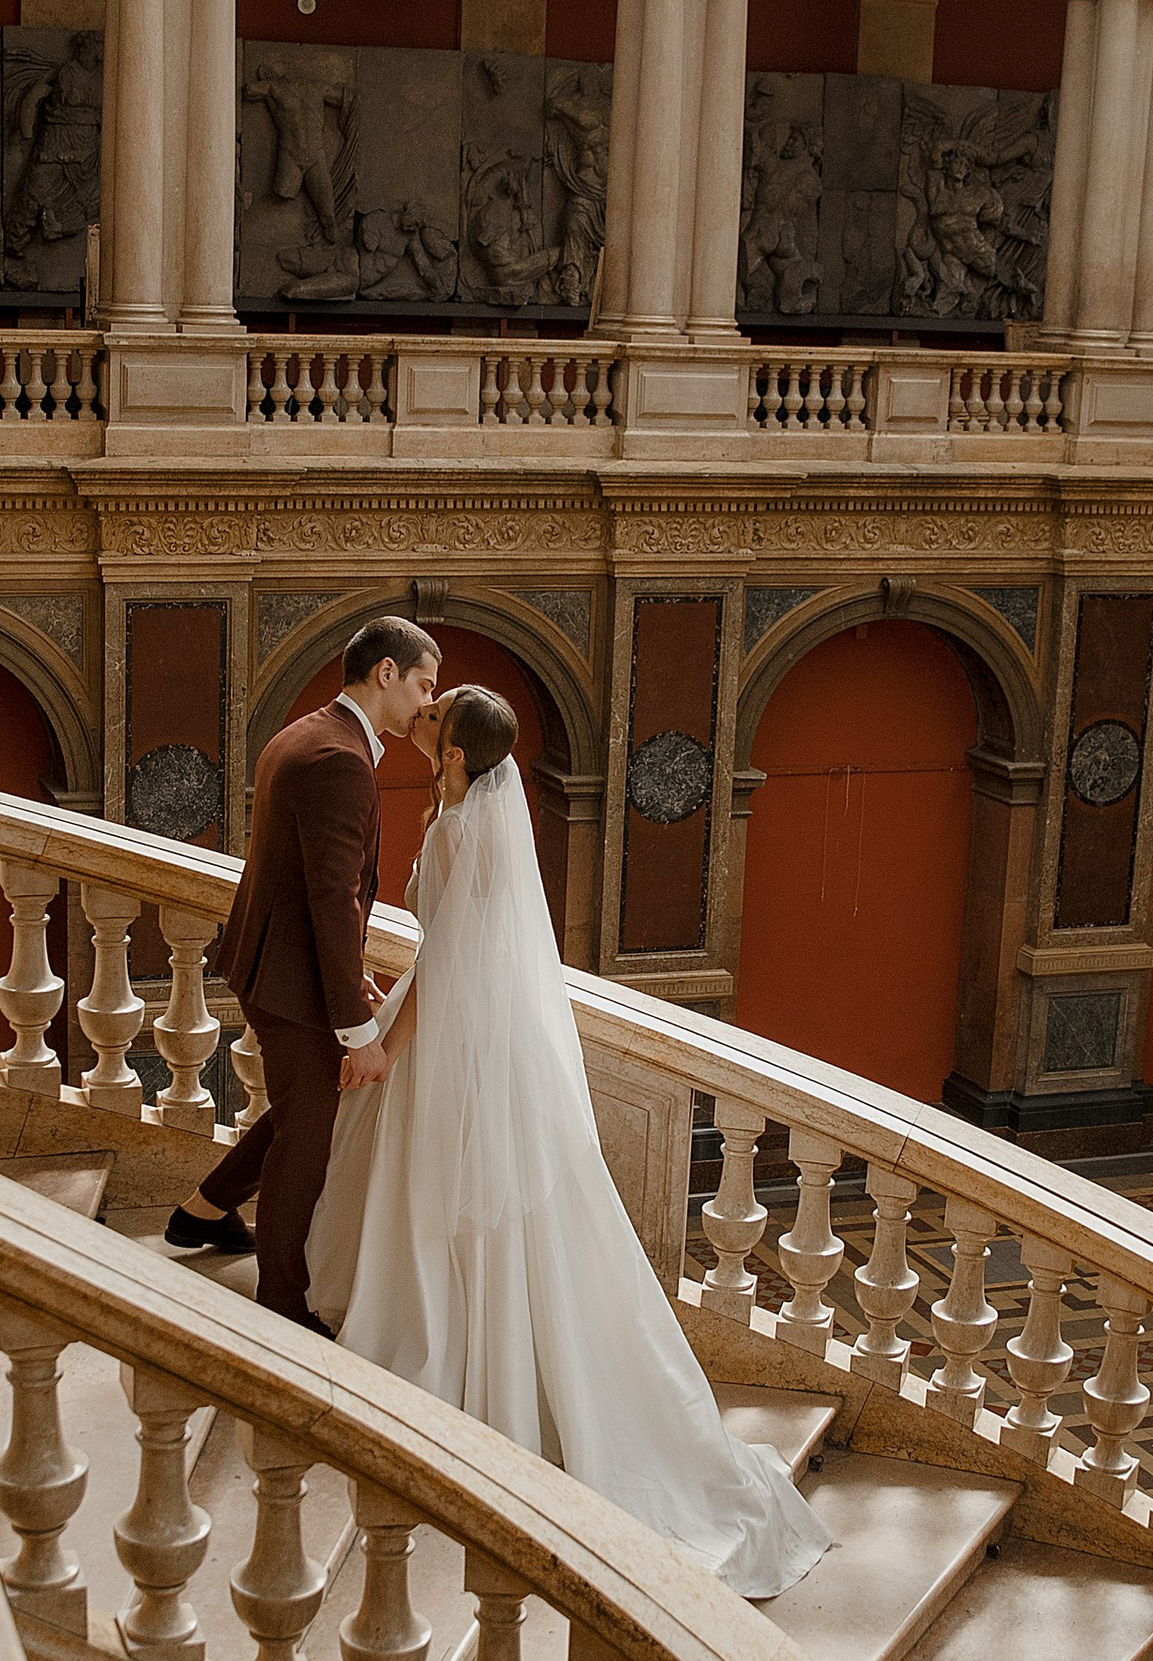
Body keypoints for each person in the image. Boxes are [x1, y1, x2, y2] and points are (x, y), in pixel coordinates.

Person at [306, 687, 829, 1603]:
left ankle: (467, 1365)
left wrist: (390, 1039)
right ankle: (487, 1352)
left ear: (458, 755)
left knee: (453, 1202)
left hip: (462, 1046)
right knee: (496, 1214)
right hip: (492, 1039)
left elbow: (444, 961)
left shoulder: (465, 830)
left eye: (434, 723)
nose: (420, 720)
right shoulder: (483, 811)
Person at [169, 614, 439, 1328]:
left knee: (301, 1108)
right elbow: (331, 897)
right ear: (387, 673)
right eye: (422, 684)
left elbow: (317, 887)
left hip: (274, 967)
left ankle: (202, 1211)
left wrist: (354, 982)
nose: (426, 703)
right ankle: (283, 1304)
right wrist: (356, 1026)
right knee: (307, 1142)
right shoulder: (342, 759)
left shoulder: (308, 731)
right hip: (295, 986)